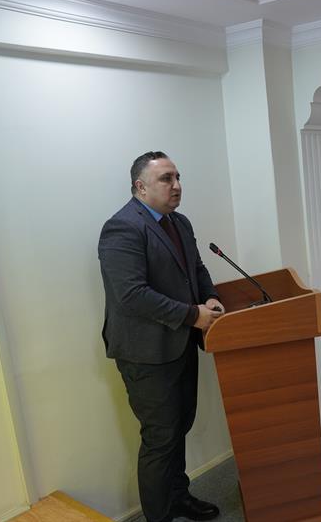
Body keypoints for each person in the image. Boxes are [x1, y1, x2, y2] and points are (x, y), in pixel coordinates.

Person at [99, 151, 223, 522]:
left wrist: (209, 296)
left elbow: (196, 270)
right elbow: (131, 295)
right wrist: (192, 315)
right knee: (159, 438)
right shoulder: (122, 227)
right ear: (140, 187)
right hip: (146, 354)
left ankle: (178, 498)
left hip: (181, 344)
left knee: (178, 427)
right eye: (166, 179)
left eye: (178, 177)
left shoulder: (179, 222)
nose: (177, 185)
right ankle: (159, 516)